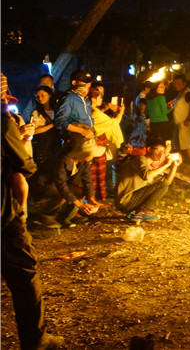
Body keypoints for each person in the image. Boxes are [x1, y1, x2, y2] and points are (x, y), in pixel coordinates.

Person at [2, 74, 64, 349]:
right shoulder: (4, 125)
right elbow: (24, 167)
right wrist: (21, 135)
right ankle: (35, 340)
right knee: (25, 275)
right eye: (4, 95)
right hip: (4, 217)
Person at [114, 134, 179, 223]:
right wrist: (167, 164)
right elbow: (146, 176)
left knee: (163, 185)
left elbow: (166, 182)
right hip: (125, 200)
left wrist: (174, 167)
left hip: (130, 201)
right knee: (162, 185)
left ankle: (135, 212)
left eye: (163, 151)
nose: (161, 154)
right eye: (158, 150)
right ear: (149, 149)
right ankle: (141, 212)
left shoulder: (150, 167)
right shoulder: (139, 159)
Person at [89, 86, 124, 203]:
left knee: (94, 172)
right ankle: (93, 198)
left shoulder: (89, 109)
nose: (101, 99)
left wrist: (104, 109)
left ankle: (93, 197)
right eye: (100, 96)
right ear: (93, 99)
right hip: (97, 145)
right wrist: (121, 112)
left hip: (94, 144)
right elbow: (113, 123)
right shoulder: (94, 111)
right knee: (96, 172)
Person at [169, 74, 190, 170]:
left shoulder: (187, 93)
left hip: (186, 123)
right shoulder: (180, 93)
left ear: (184, 83)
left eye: (179, 84)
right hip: (180, 124)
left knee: (186, 145)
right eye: (175, 84)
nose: (176, 85)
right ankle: (183, 165)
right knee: (181, 146)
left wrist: (189, 118)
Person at [29, 86, 59, 175]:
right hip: (42, 145)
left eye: (42, 95)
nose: (40, 98)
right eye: (38, 96)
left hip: (55, 144)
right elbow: (34, 131)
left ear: (50, 95)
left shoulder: (56, 110)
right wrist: (51, 125)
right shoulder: (36, 112)